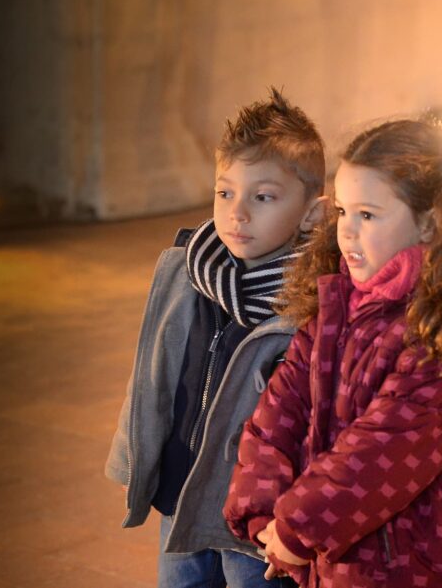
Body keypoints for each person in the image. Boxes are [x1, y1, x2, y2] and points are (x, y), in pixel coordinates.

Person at [222, 119, 442, 588]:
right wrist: (262, 510)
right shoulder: (342, 302)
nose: (347, 231)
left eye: (368, 215)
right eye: (341, 211)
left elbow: (386, 448)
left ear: (431, 223)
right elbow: (281, 408)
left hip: (419, 558)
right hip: (339, 547)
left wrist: (295, 529)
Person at [106, 88, 326, 588]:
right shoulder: (187, 272)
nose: (237, 213)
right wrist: (133, 457)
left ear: (313, 213)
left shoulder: (312, 303)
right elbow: (151, 374)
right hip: (180, 491)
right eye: (225, 192)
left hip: (256, 516)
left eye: (262, 197)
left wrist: (298, 516)